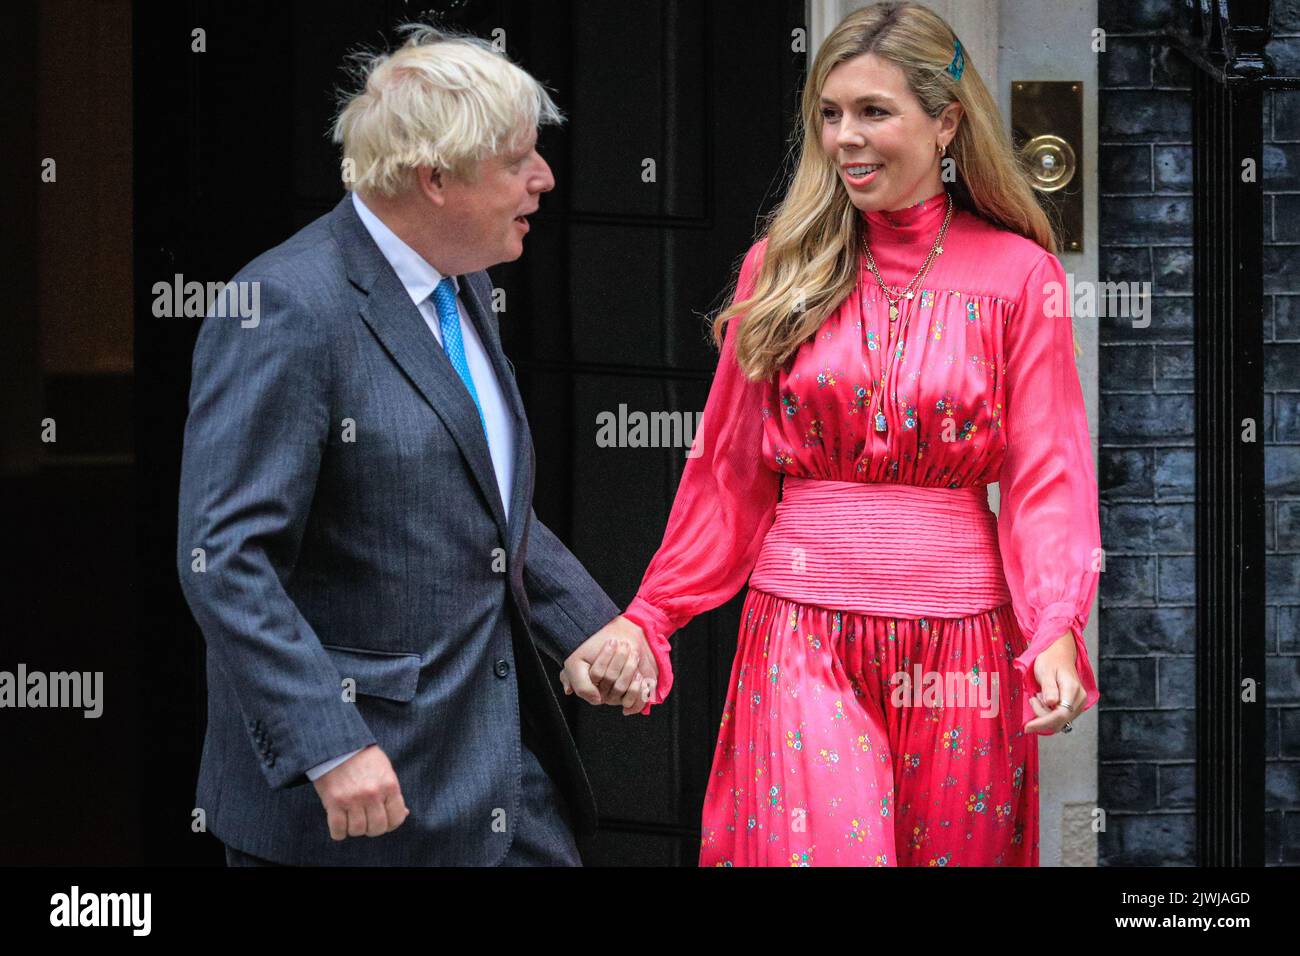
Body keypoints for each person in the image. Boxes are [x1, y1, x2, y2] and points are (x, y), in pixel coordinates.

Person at [573, 0, 1102, 866]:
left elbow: (1050, 471)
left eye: (872, 112)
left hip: (964, 641)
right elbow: (729, 468)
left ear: (946, 124)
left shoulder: (1019, 276)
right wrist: (653, 613)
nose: (844, 138)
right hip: (802, 630)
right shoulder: (781, 266)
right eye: (829, 114)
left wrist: (1055, 624)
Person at [176, 23, 648, 867]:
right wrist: (328, 743)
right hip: (360, 801)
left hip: (501, 779)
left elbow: (478, 500)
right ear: (433, 178)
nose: (543, 180)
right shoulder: (286, 306)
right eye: (516, 163)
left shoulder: (460, 278)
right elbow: (226, 557)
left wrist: (587, 626)